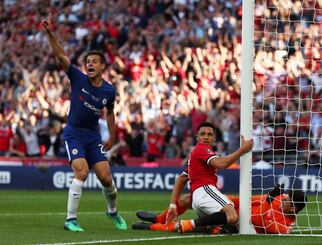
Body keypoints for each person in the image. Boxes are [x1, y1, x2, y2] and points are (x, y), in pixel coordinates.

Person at [41, 14, 127, 232]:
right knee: (81, 171)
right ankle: (71, 220)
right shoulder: (77, 77)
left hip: (93, 136)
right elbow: (61, 55)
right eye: (88, 62)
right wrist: (51, 34)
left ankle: (113, 212)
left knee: (106, 178)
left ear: (102, 66)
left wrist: (113, 136)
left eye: (94, 62)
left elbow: (110, 113)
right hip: (74, 133)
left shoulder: (109, 90)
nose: (89, 64)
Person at [133, 175, 307, 234]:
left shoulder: (284, 227)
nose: (283, 199)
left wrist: (269, 200)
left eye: (287, 200)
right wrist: (226, 200)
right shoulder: (280, 198)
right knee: (188, 198)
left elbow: (256, 218)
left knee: (188, 227)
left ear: (294, 209)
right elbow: (252, 200)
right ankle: (159, 218)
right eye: (285, 196)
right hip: (231, 212)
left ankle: (151, 227)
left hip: (234, 225)